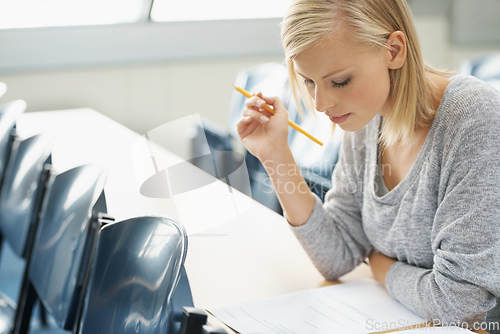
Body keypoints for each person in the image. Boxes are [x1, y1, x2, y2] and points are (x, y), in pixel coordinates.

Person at [236, 0, 500, 332]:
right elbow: (337, 255)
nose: (320, 105)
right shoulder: (365, 118)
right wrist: (276, 155)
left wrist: (379, 265)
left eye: (340, 81)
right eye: (308, 82)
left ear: (394, 51)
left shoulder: (474, 117)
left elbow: (461, 305)